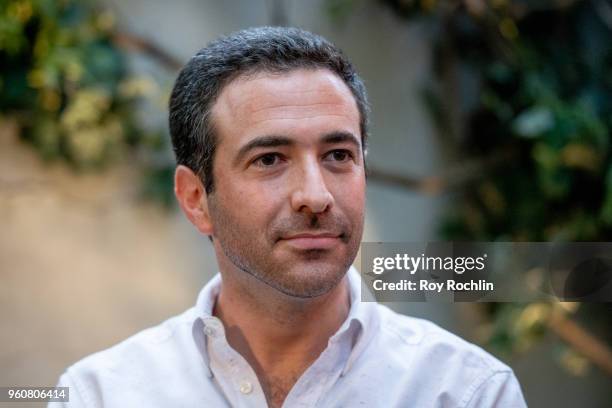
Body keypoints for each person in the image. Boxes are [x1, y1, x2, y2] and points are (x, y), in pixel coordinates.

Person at [51, 27, 527, 407]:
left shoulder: (465, 392)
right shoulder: (102, 395)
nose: (315, 196)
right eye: (270, 159)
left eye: (338, 155)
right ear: (196, 198)